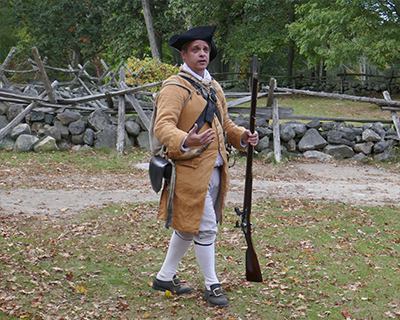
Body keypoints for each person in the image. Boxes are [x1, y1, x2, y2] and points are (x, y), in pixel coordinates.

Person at [151, 25, 259, 307]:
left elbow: (224, 124)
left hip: (215, 169)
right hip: (188, 170)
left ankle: (164, 276)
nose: (202, 53)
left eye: (205, 49)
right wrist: (187, 138)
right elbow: (163, 127)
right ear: (184, 54)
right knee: (207, 228)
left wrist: (242, 137)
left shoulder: (213, 87)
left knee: (190, 228)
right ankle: (212, 285)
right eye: (196, 49)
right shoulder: (175, 87)